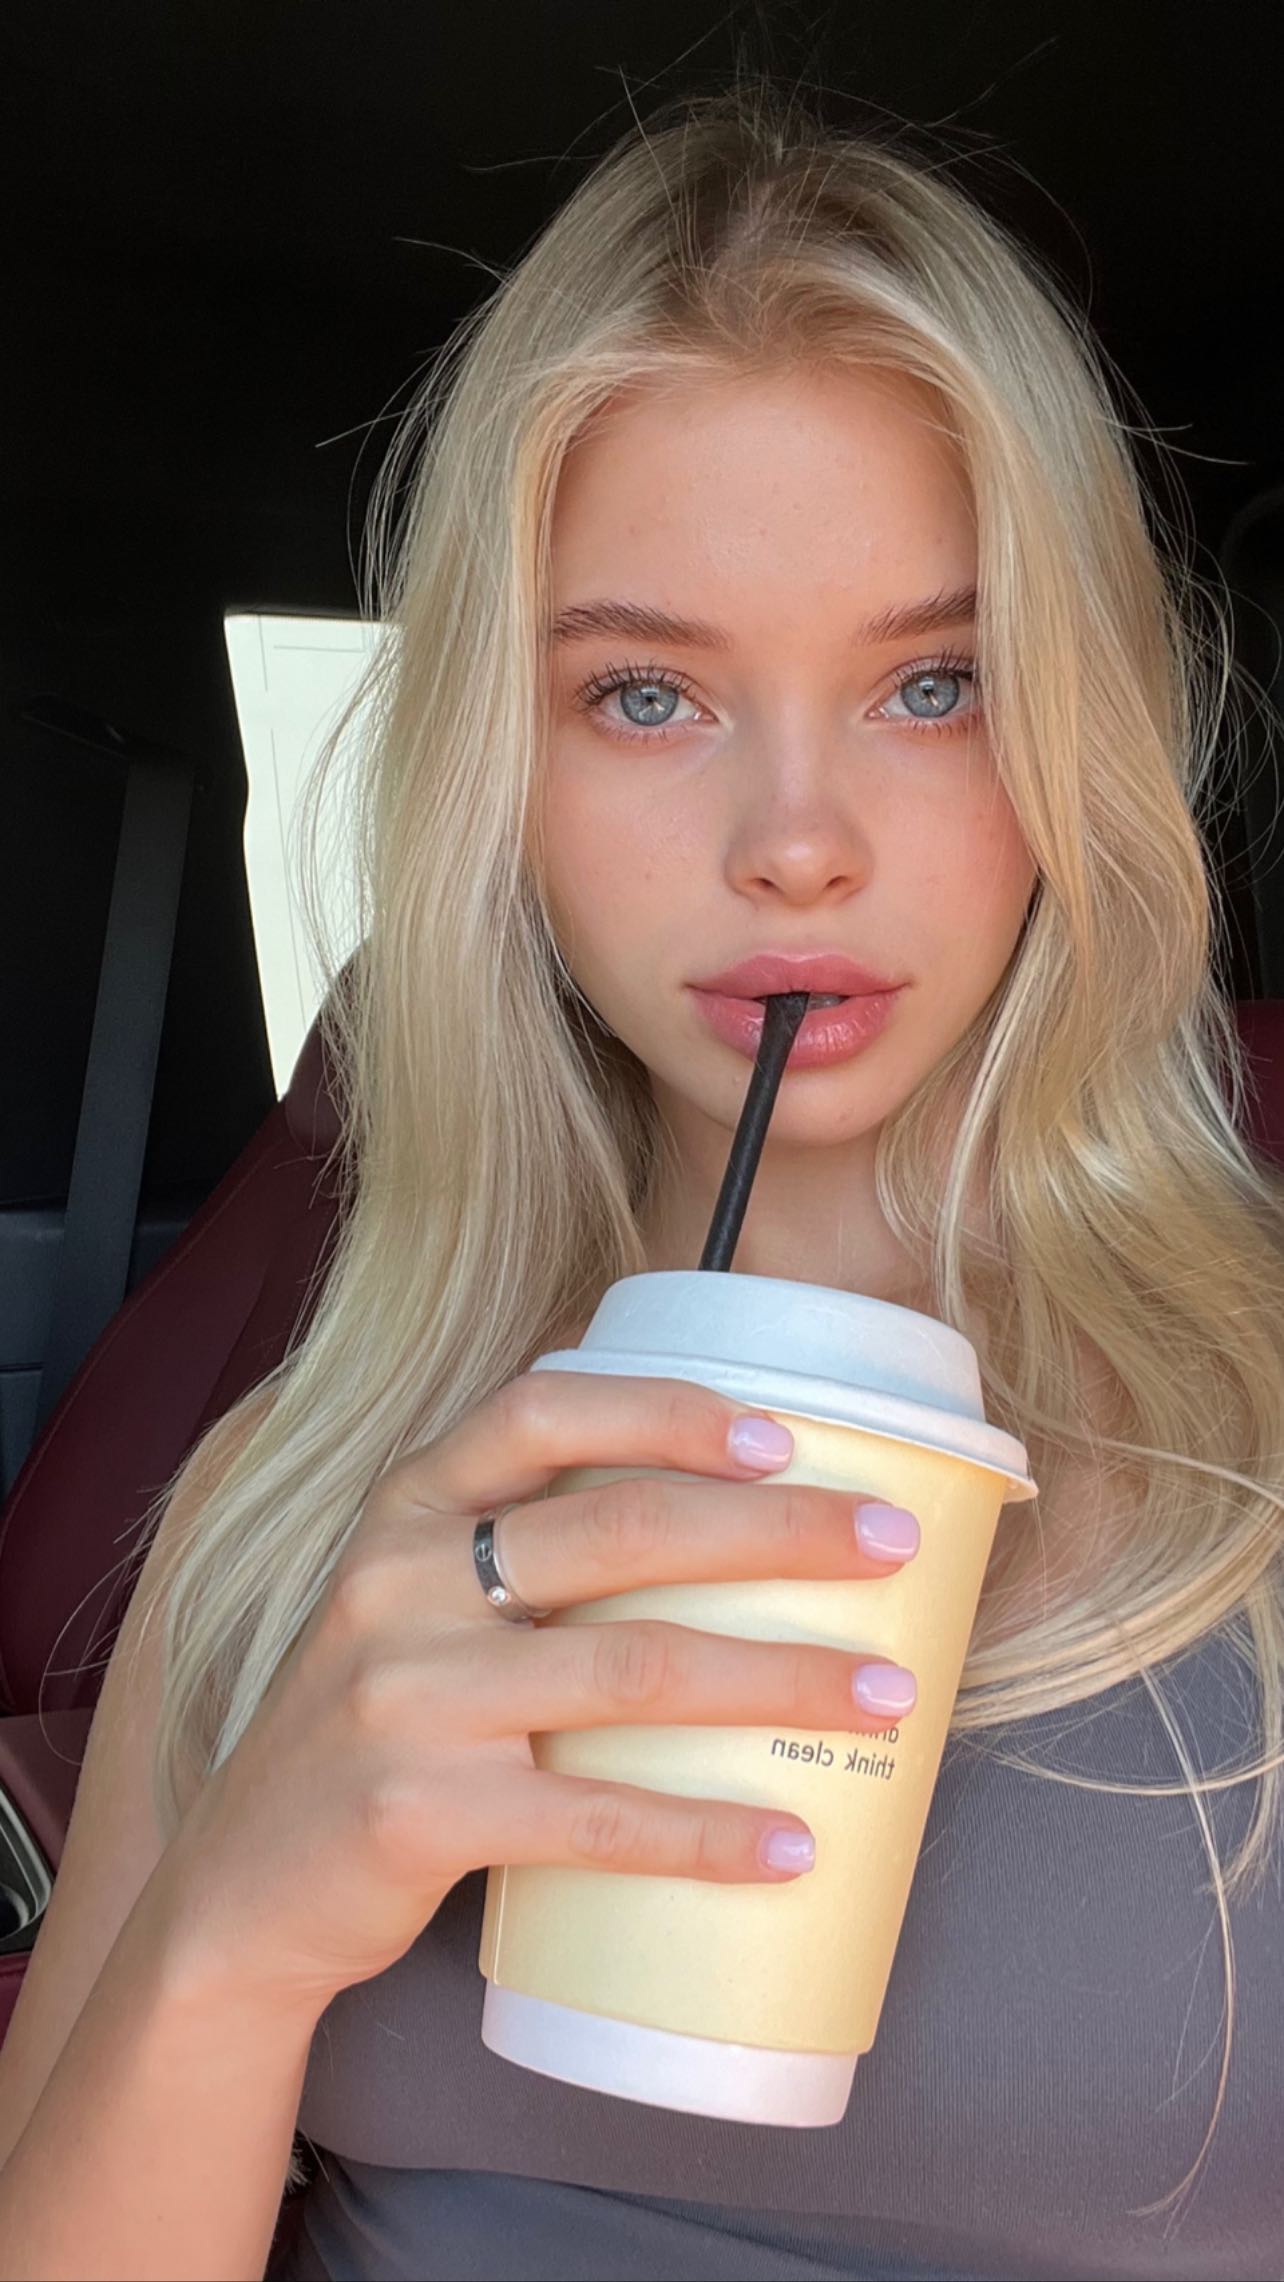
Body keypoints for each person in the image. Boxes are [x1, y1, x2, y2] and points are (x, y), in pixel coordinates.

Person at [1, 72, 1282, 2282]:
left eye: (938, 681)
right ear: (500, 771)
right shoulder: (295, 1507)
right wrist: (235, 1934)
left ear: (1082, 730)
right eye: (648, 697)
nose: (798, 839)